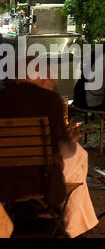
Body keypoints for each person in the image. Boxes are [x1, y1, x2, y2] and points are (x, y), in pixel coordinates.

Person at [0, 77, 98, 237]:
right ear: (30, 77)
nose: (52, 81)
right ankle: (73, 227)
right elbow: (64, 152)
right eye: (45, 77)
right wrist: (65, 142)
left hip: (4, 182)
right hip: (40, 181)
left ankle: (73, 226)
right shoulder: (47, 101)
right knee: (77, 157)